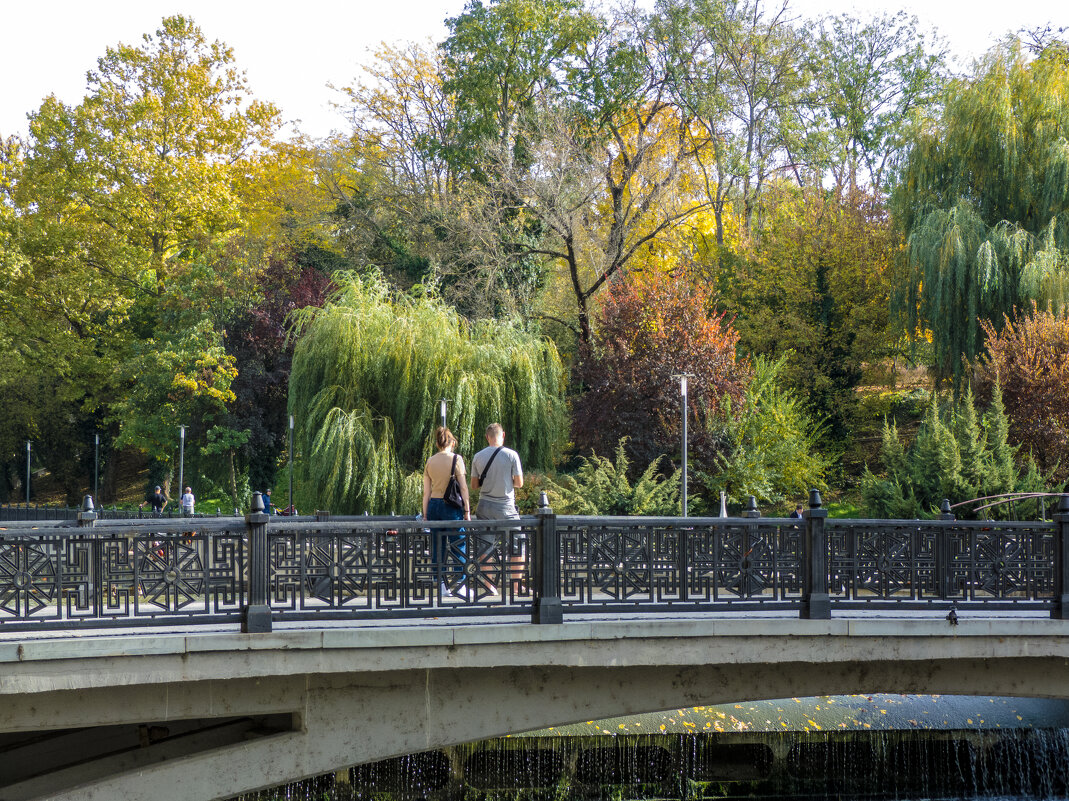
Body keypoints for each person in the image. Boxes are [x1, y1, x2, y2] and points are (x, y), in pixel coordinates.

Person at [470, 423, 524, 594]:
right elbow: (519, 483)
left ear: (487, 437)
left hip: (484, 506)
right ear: (503, 435)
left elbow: (474, 485)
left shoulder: (478, 456)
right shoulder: (511, 455)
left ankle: (489, 586)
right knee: (517, 544)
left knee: (485, 546)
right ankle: (516, 586)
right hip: (506, 508)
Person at [423, 426, 471, 599]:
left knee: (438, 546)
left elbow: (426, 492)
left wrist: (425, 514)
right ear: (452, 442)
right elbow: (463, 487)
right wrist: (467, 510)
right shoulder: (456, 459)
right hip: (451, 506)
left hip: (434, 505)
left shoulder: (430, 461)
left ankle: (442, 585)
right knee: (459, 544)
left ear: (437, 443)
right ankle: (460, 584)